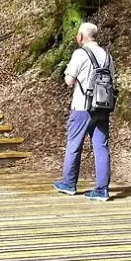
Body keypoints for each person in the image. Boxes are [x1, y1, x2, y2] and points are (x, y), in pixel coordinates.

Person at [54, 22, 117, 202]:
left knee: (74, 145)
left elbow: (69, 81)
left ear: (82, 36)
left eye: (77, 34)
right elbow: (112, 80)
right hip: (103, 107)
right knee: (101, 147)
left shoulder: (80, 54)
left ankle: (69, 184)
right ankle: (102, 189)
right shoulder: (107, 55)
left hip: (82, 107)